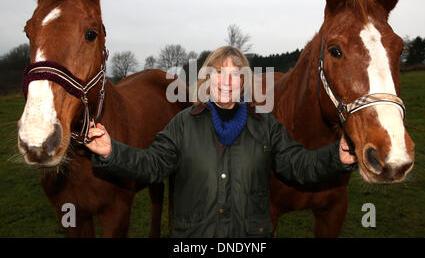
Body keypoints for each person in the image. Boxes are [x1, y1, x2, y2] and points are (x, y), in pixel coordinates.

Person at [88, 46, 357, 238]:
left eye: (236, 73)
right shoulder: (184, 124)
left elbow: (299, 164)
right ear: (207, 78)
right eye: (219, 72)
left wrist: (337, 157)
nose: (227, 80)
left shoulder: (265, 126)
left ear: (244, 82)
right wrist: (112, 151)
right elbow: (151, 165)